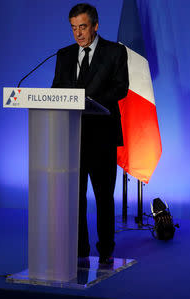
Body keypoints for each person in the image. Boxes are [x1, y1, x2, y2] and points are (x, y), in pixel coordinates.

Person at [52, 3, 129, 264]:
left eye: (82, 27)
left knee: (103, 197)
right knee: (75, 198)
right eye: (74, 28)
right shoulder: (63, 55)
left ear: (95, 26)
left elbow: (121, 89)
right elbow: (56, 91)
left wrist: (88, 100)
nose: (78, 34)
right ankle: (79, 250)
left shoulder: (114, 52)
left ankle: (106, 250)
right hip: (73, 138)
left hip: (103, 137)